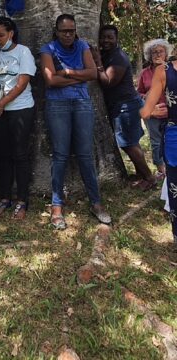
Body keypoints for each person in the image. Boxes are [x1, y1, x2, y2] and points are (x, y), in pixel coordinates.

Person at [40, 14, 111, 230]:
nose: (68, 34)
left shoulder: (82, 46)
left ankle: (96, 202)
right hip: (57, 106)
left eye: (71, 30)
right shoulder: (48, 49)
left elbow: (93, 74)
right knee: (60, 155)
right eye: (64, 31)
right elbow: (50, 80)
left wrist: (68, 72)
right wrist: (80, 75)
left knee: (85, 154)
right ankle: (56, 205)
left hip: (82, 103)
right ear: (57, 31)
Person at [92, 25, 155, 190]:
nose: (106, 40)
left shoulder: (119, 58)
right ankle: (140, 174)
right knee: (132, 142)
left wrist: (98, 61)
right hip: (122, 105)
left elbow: (108, 82)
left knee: (128, 143)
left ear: (116, 39)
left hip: (126, 106)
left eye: (110, 37)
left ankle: (149, 177)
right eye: (103, 37)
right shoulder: (110, 54)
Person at [0, 16, 36, 220]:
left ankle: (22, 200)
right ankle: (4, 197)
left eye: (1, 35)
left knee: (20, 154)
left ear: (11, 34)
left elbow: (22, 83)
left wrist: (3, 103)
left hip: (20, 109)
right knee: (3, 155)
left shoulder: (23, 52)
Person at [140, 57, 177, 251]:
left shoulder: (164, 71)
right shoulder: (164, 71)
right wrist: (151, 110)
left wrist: (152, 110)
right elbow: (146, 113)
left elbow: (145, 112)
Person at [138, 39, 172, 179]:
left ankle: (172, 167)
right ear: (149, 55)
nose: (157, 54)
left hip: (171, 112)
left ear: (166, 54)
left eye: (160, 51)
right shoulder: (145, 73)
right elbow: (138, 92)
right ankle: (161, 170)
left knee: (171, 140)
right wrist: (145, 97)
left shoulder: (172, 70)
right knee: (156, 142)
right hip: (152, 113)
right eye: (154, 52)